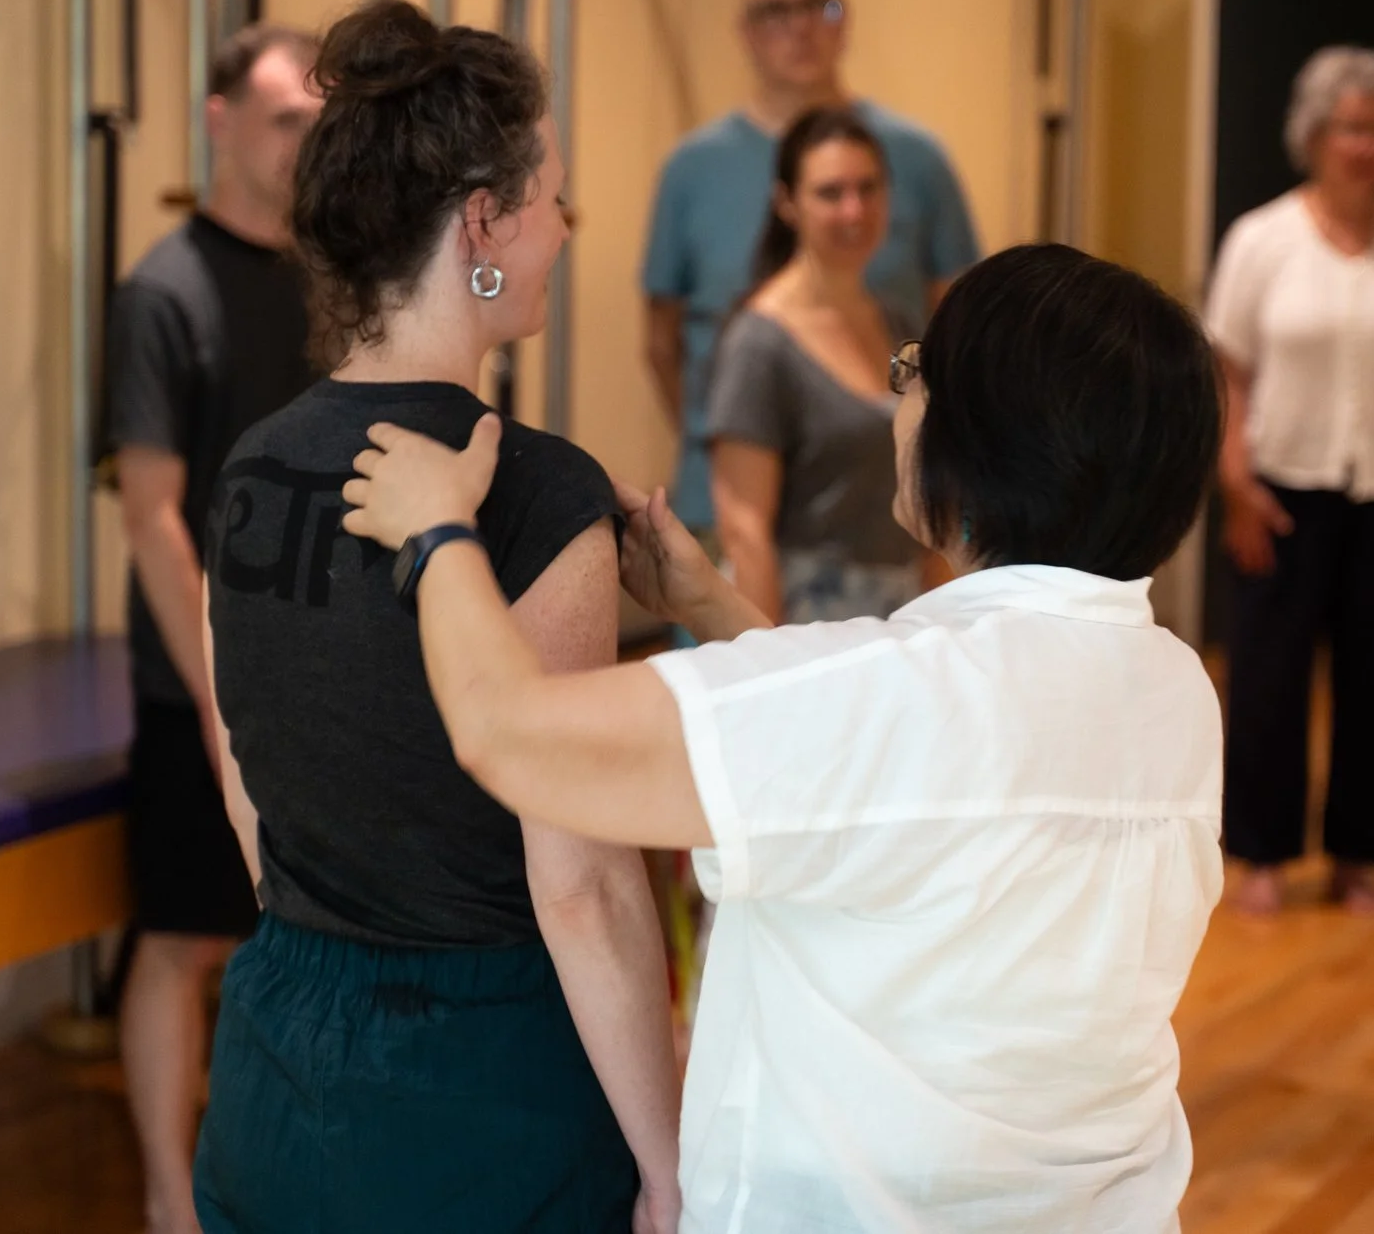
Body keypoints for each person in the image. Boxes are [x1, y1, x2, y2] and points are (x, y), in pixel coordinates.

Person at [343, 243, 1227, 1232]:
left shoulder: (906, 696)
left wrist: (436, 536)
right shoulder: (1172, 689)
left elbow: (509, 734)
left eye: (911, 374)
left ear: (978, 441)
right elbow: (883, 781)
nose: (900, 400)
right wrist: (711, 605)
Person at [193, 0, 681, 1232]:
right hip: (481, 1088)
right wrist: (673, 1165)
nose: (565, 231)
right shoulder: (536, 492)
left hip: (272, 1066)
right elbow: (576, 884)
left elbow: (246, 758)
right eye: (554, 199)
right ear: (483, 224)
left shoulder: (251, 465)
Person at [101, 22, 321, 1234]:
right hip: (198, 679)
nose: (301, 142)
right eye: (284, 117)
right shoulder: (163, 292)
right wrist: (216, 689)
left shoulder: (332, 280)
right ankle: (163, 1203)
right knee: (185, 935)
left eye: (313, 122)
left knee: (291, 939)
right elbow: (152, 516)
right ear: (219, 118)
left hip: (311, 669)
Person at [1204, 46, 1374, 917]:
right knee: (1269, 679)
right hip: (1283, 492)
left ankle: (1360, 856)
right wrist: (1235, 482)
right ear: (1315, 134)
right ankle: (1262, 852)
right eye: (1351, 127)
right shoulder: (1261, 238)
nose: (1366, 145)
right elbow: (1229, 373)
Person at [642, 0, 980, 545]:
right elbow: (661, 341)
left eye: (818, 6)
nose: (800, 29)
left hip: (880, 513)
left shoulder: (918, 160)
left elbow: (957, 330)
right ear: (745, 31)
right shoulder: (692, 169)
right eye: (776, 12)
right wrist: (732, 436)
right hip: (726, 509)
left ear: (844, 19)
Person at [711, 106, 921, 624]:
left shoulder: (897, 323)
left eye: (868, 188)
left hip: (899, 609)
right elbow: (744, 531)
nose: (854, 210)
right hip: (807, 616)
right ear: (787, 203)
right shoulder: (759, 342)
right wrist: (773, 661)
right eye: (831, 193)